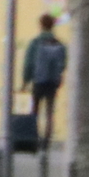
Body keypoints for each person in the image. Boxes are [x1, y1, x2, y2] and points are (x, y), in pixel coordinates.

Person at [23, 14, 68, 145]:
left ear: (41, 25)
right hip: (53, 81)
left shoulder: (35, 43)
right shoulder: (60, 44)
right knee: (49, 111)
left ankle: (33, 138)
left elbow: (29, 63)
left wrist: (25, 80)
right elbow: (64, 62)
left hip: (38, 80)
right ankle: (46, 141)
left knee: (34, 110)